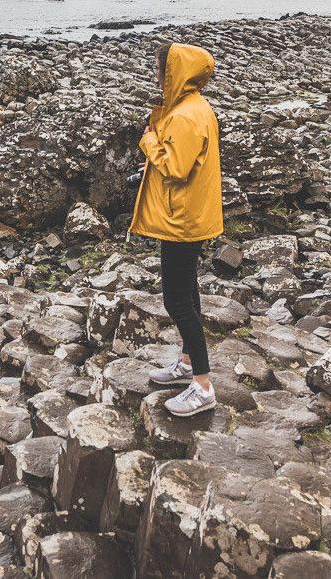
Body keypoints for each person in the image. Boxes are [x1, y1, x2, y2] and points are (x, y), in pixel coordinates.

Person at [128, 41, 223, 417]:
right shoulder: (194, 107)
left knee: (177, 301)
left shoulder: (186, 116)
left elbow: (175, 168)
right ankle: (186, 363)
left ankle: (202, 384)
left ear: (174, 73)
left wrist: (149, 138)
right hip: (190, 215)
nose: (156, 74)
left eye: (160, 68)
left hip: (181, 220)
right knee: (189, 293)